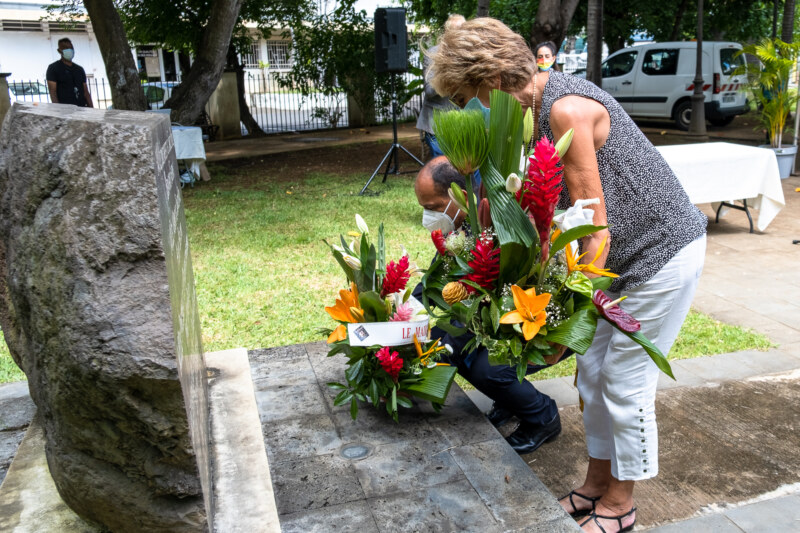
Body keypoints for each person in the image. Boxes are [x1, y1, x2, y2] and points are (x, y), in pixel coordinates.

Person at [429, 18, 706, 533]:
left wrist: (568, 319)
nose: (476, 107)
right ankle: (596, 485)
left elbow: (593, 227)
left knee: (624, 381)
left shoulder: (564, 108)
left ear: (489, 80)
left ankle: (621, 505)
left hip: (659, 254)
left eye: (472, 95)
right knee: (593, 377)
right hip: (614, 265)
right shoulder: (527, 113)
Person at [413, 156, 564, 455]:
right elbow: (430, 288)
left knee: (482, 366)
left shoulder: (506, 228)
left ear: (461, 197)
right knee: (453, 345)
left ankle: (543, 417)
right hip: (498, 321)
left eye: (431, 207)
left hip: (539, 321)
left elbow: (502, 300)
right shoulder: (461, 230)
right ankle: (509, 402)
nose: (427, 217)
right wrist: (403, 319)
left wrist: (444, 347)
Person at [416, 15, 464, 160]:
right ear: (447, 33)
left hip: (462, 123)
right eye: (460, 30)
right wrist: (454, 78)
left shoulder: (468, 54)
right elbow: (430, 91)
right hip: (436, 125)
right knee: (441, 170)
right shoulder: (432, 54)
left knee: (463, 172)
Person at [46, 38, 94, 108]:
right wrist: (58, 110)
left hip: (81, 108)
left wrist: (91, 108)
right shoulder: (53, 68)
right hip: (65, 110)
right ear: (59, 51)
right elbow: (53, 92)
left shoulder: (79, 69)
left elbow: (85, 92)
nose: (69, 50)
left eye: (71, 48)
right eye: (66, 48)